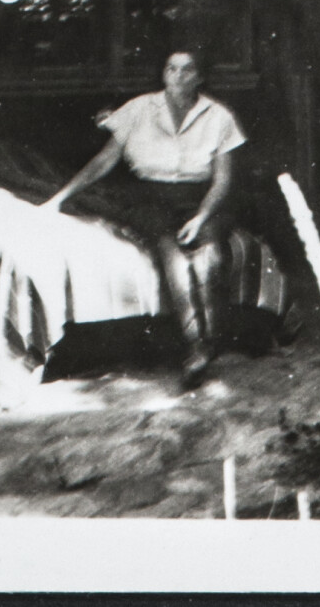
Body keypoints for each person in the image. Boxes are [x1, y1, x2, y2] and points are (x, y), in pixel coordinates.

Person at [45, 50, 245, 389]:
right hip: (151, 198)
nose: (178, 76)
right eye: (171, 68)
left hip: (201, 199)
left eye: (187, 70)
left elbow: (223, 180)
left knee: (211, 252)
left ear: (199, 77)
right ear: (163, 74)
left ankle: (211, 341)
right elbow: (103, 162)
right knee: (174, 257)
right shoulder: (139, 109)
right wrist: (60, 198)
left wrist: (201, 216)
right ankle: (196, 346)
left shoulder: (219, 116)